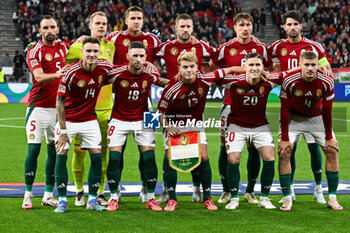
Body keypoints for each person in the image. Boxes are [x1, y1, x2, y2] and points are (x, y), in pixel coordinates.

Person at [158, 52, 241, 211]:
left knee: (203, 156)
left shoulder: (206, 78)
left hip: (195, 123)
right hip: (174, 124)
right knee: (171, 158)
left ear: (197, 67)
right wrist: (168, 127)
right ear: (179, 68)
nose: (189, 70)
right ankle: (172, 199)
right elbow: (159, 113)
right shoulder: (171, 88)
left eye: (191, 66)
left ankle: (207, 198)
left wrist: (254, 70)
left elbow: (229, 69)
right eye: (185, 67)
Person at [207, 13, 274, 204]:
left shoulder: (261, 47)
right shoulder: (226, 48)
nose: (245, 28)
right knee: (224, 147)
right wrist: (234, 74)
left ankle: (250, 191)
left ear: (252, 27)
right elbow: (213, 71)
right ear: (234, 27)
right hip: (230, 104)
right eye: (241, 25)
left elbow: (271, 70)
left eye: (248, 25)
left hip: (254, 104)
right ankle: (227, 190)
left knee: (254, 147)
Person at [268, 10, 332, 204]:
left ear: (301, 26)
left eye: (296, 24)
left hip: (314, 107)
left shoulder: (314, 46)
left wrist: (323, 71)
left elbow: (326, 69)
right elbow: (265, 59)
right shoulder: (278, 46)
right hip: (290, 105)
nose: (293, 27)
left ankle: (319, 188)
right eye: (289, 24)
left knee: (315, 148)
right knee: (289, 149)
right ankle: (291, 189)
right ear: (284, 27)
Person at [154, 13, 217, 204]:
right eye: (182, 26)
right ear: (175, 28)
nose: (185, 30)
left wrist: (206, 70)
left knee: (199, 153)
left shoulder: (201, 46)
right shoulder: (166, 47)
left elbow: (219, 58)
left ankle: (199, 190)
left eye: (188, 26)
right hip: (173, 103)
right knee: (170, 153)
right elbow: (145, 59)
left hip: (194, 105)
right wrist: (163, 80)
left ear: (193, 28)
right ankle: (166, 190)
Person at [54, 36, 116, 213]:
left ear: (99, 52)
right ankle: (62, 200)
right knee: (62, 154)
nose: (91, 54)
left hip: (89, 119)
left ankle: (92, 200)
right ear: (81, 52)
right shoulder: (70, 72)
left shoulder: (105, 66)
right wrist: (63, 130)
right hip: (69, 119)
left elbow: (120, 72)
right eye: (88, 51)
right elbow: (59, 101)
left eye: (95, 51)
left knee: (97, 157)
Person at [105, 41, 168, 211]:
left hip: (147, 115)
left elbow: (165, 84)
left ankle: (150, 197)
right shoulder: (116, 73)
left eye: (141, 56)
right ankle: (113, 197)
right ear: (127, 56)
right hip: (119, 117)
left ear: (146, 57)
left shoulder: (150, 73)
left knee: (149, 158)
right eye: (135, 56)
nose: (138, 59)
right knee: (115, 158)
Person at [107, 6, 162, 202]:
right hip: (119, 97)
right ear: (126, 20)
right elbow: (99, 46)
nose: (136, 21)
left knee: (147, 150)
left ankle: (146, 189)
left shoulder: (153, 40)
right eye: (133, 18)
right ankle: (116, 189)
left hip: (147, 100)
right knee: (117, 151)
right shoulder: (114, 38)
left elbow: (171, 51)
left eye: (139, 18)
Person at [219, 53, 285, 210]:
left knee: (269, 158)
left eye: (257, 65)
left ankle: (265, 198)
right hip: (236, 125)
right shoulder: (233, 82)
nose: (254, 68)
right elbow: (213, 76)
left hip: (260, 126)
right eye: (251, 65)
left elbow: (288, 74)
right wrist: (229, 69)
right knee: (233, 159)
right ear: (244, 67)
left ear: (262, 67)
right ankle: (234, 198)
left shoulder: (269, 81)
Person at [278, 51, 342, 211]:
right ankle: (287, 197)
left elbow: (328, 111)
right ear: (300, 65)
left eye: (313, 65)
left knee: (332, 150)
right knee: (285, 151)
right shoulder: (290, 81)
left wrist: (329, 137)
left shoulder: (327, 81)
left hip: (316, 118)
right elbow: (284, 110)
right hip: (293, 118)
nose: (310, 68)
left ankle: (332, 198)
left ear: (318, 65)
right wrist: (284, 138)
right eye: (306, 64)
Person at [22, 15, 69, 209]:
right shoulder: (35, 51)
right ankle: (28, 194)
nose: (49, 30)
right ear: (40, 31)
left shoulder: (65, 48)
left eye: (52, 27)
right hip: (38, 108)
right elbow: (39, 77)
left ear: (57, 29)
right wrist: (57, 75)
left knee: (54, 151)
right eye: (45, 28)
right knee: (33, 150)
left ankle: (48, 195)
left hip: (58, 109)